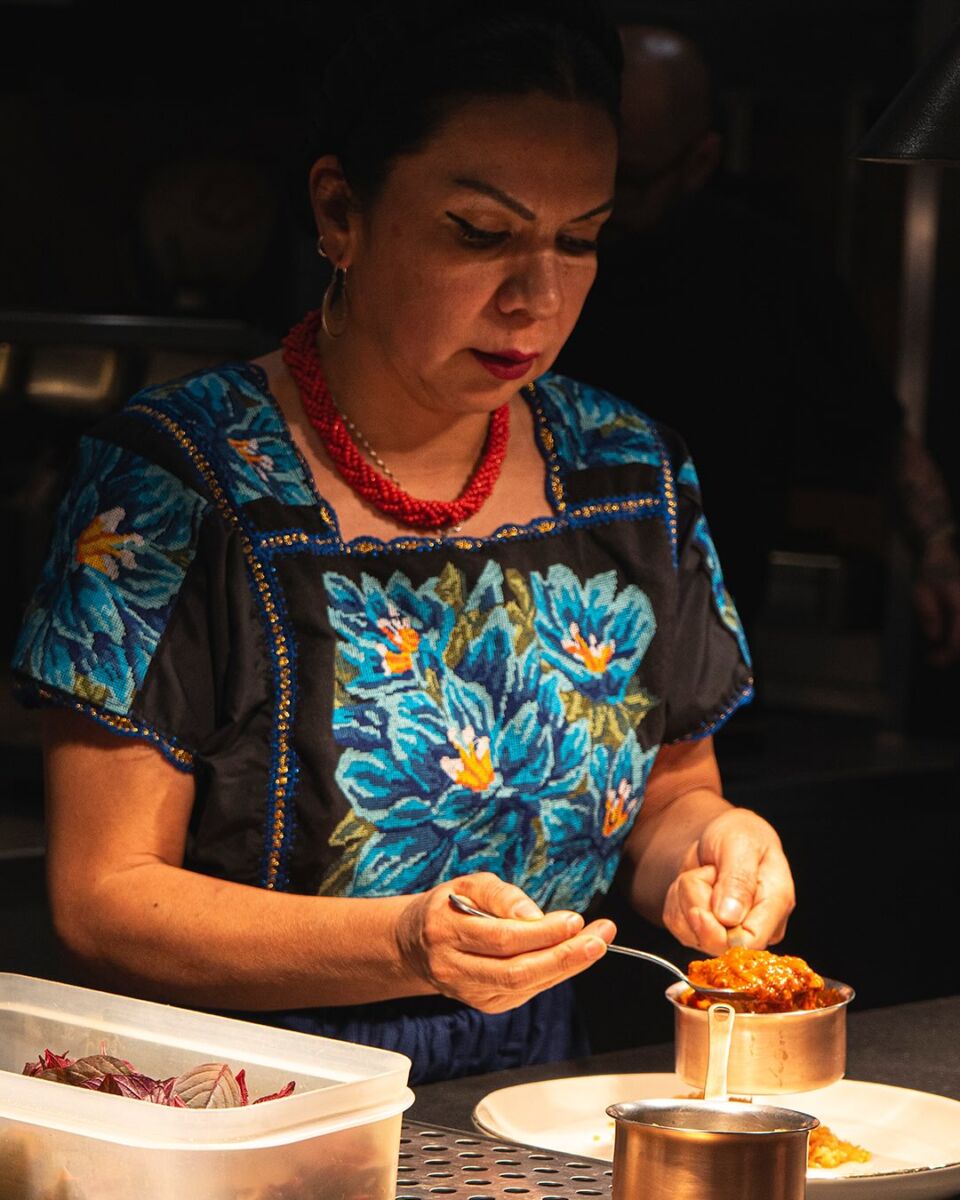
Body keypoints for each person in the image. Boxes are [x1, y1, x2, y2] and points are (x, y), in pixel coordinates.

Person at [11, 1, 795, 1085]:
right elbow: (103, 901)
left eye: (578, 240)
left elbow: (668, 796)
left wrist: (710, 850)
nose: (537, 297)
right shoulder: (176, 481)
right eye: (480, 233)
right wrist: (400, 943)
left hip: (527, 1103)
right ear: (340, 210)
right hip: (247, 1105)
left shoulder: (628, 475)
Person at [559, 25, 960, 660]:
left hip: (699, 643)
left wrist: (937, 551)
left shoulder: (768, 268)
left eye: (627, 182)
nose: (600, 209)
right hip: (538, 619)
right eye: (585, 174)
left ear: (700, 162)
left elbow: (878, 432)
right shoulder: (544, 254)